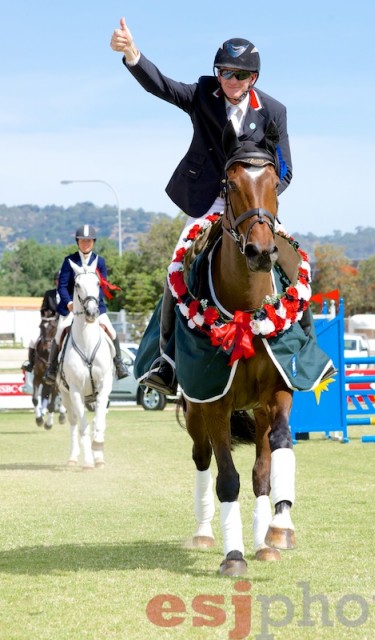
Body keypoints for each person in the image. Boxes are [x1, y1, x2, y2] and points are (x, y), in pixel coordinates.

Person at [110, 19, 293, 394]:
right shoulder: (203, 95)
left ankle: (303, 353)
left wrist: (263, 201)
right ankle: (166, 359)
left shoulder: (274, 111)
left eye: (240, 74)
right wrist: (132, 54)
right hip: (209, 201)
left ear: (253, 78)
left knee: (295, 262)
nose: (231, 79)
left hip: (255, 205)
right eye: (225, 71)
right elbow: (162, 86)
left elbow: (286, 168)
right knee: (176, 264)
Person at [43, 224, 129, 384]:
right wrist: (68, 303)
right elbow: (62, 286)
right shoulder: (69, 261)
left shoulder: (100, 261)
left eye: (89, 241)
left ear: (93, 242)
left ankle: (119, 364)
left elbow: (102, 286)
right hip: (72, 308)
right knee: (60, 330)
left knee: (111, 330)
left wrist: (94, 303)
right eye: (83, 241)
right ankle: (52, 368)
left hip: (95, 307)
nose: (86, 244)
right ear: (78, 242)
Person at [22, 271, 60, 373]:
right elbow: (43, 309)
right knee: (33, 340)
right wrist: (49, 316)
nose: (59, 282)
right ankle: (31, 363)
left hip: (64, 324)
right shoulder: (49, 294)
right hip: (50, 324)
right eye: (57, 280)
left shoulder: (70, 294)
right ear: (55, 282)